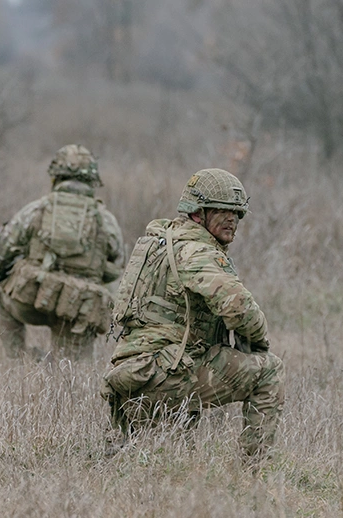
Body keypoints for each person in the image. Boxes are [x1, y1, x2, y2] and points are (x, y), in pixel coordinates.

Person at [102, 168, 283, 463]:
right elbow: (237, 306)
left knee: (168, 467)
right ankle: (255, 473)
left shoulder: (159, 243)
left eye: (237, 214)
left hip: (130, 378)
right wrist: (260, 344)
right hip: (165, 380)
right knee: (270, 370)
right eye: (223, 212)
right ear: (198, 213)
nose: (232, 220)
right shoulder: (197, 252)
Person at [0, 144, 124, 361]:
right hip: (77, 309)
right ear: (92, 179)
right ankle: (64, 379)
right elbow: (116, 268)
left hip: (31, 301)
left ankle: (20, 359)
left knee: (5, 298)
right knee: (72, 369)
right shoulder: (106, 220)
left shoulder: (37, 209)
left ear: (55, 175)